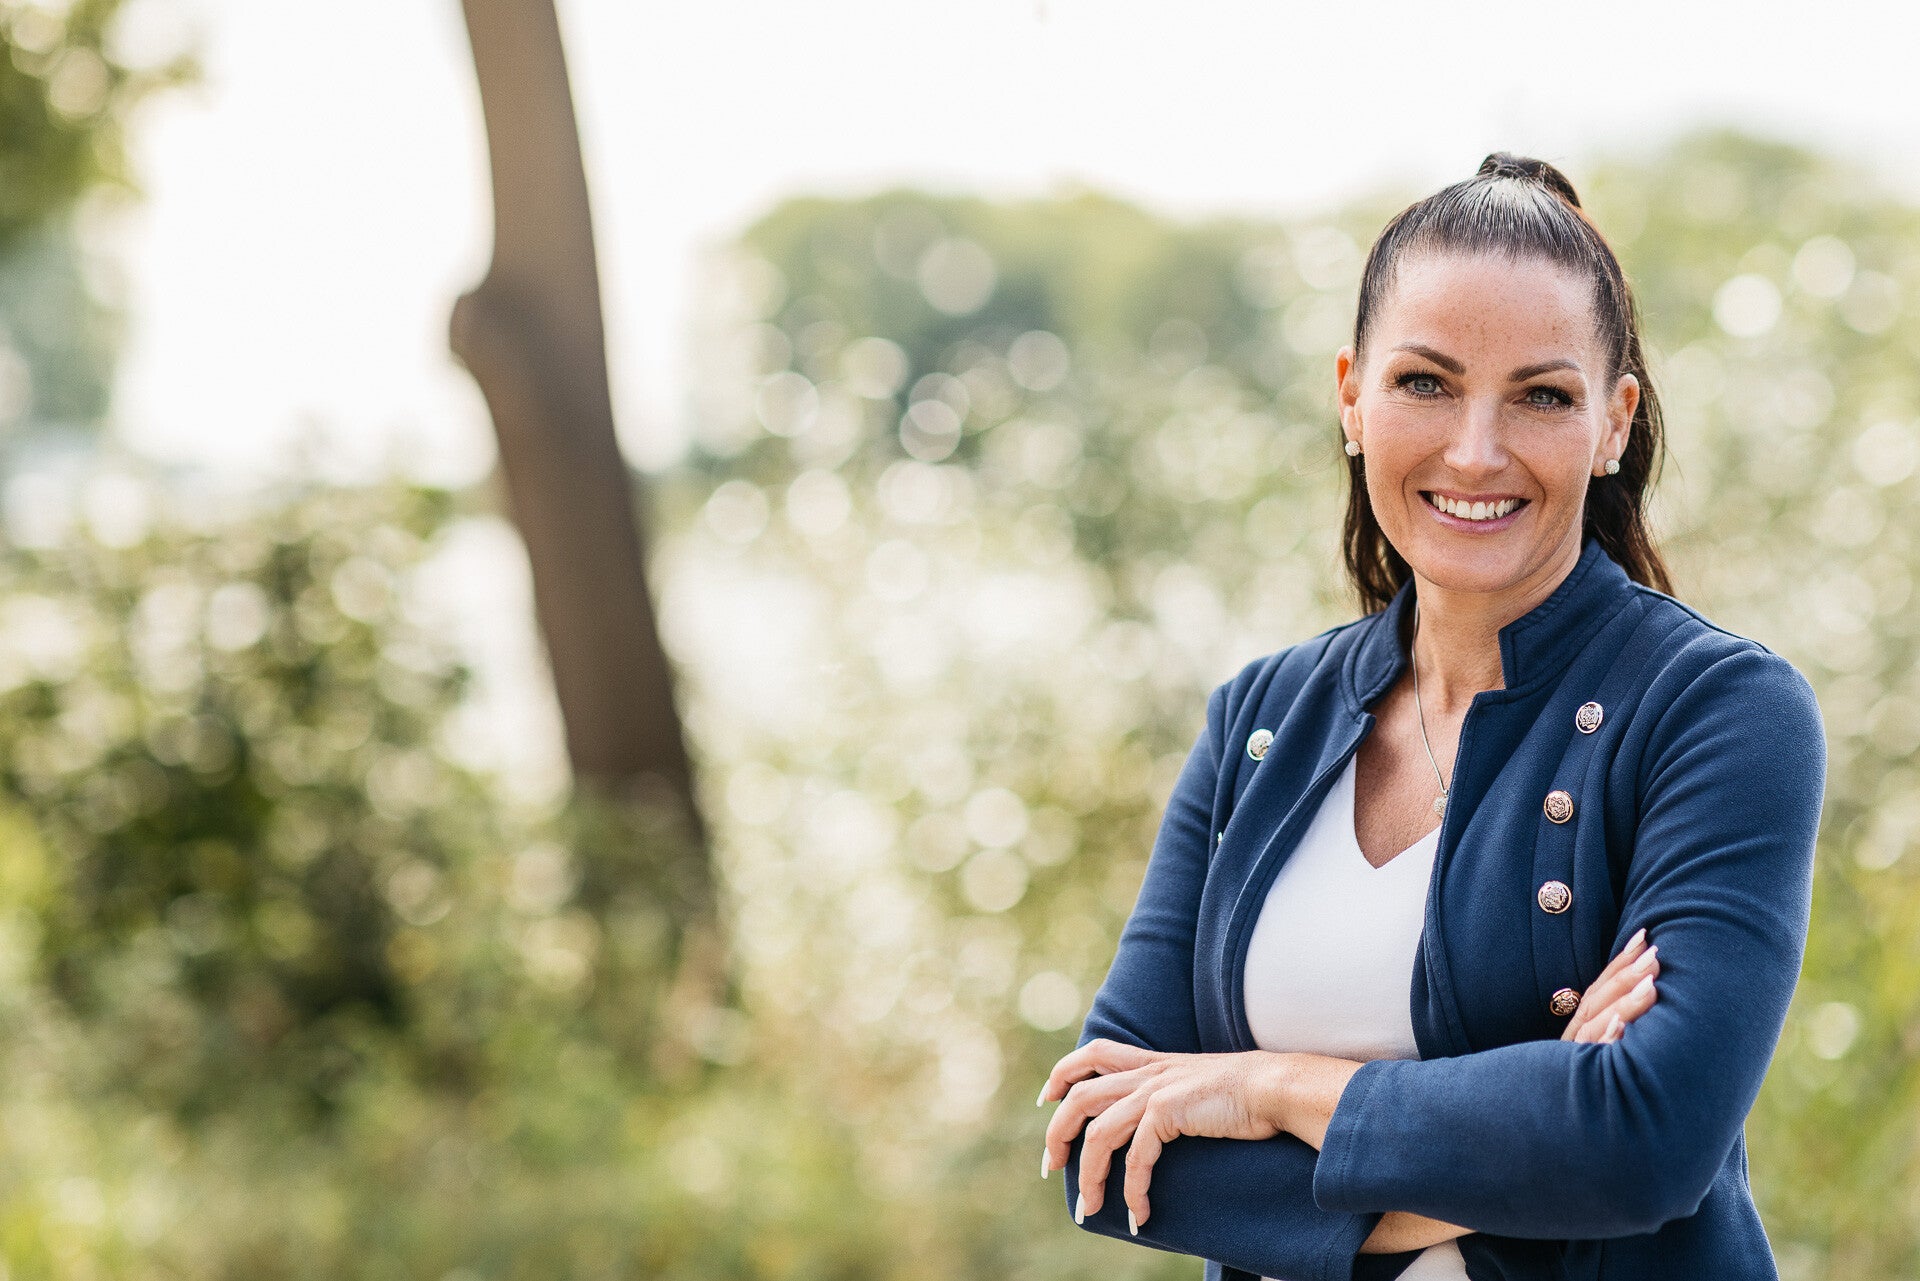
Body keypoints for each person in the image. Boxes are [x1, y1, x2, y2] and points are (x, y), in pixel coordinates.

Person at [1035, 153, 1828, 1281]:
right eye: (1425, 383)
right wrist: (1518, 1151)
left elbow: (1645, 1142)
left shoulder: (1719, 711)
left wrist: (1267, 1087)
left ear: (1614, 422)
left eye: (1542, 396)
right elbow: (1101, 1143)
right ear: (1351, 397)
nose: (1476, 451)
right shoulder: (1259, 718)